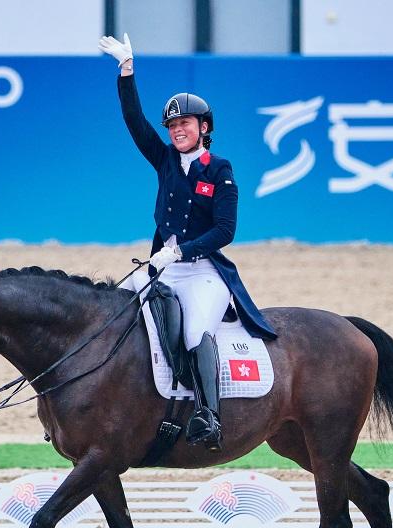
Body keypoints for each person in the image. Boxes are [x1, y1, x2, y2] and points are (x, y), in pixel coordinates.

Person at [98, 34, 277, 451]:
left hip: (203, 272)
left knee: (196, 333)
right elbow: (135, 122)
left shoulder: (219, 169)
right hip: (161, 269)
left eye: (185, 125)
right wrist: (127, 71)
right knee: (113, 317)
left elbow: (225, 231)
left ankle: (208, 416)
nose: (177, 131)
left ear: (203, 128)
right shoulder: (164, 160)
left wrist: (181, 250)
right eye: (173, 126)